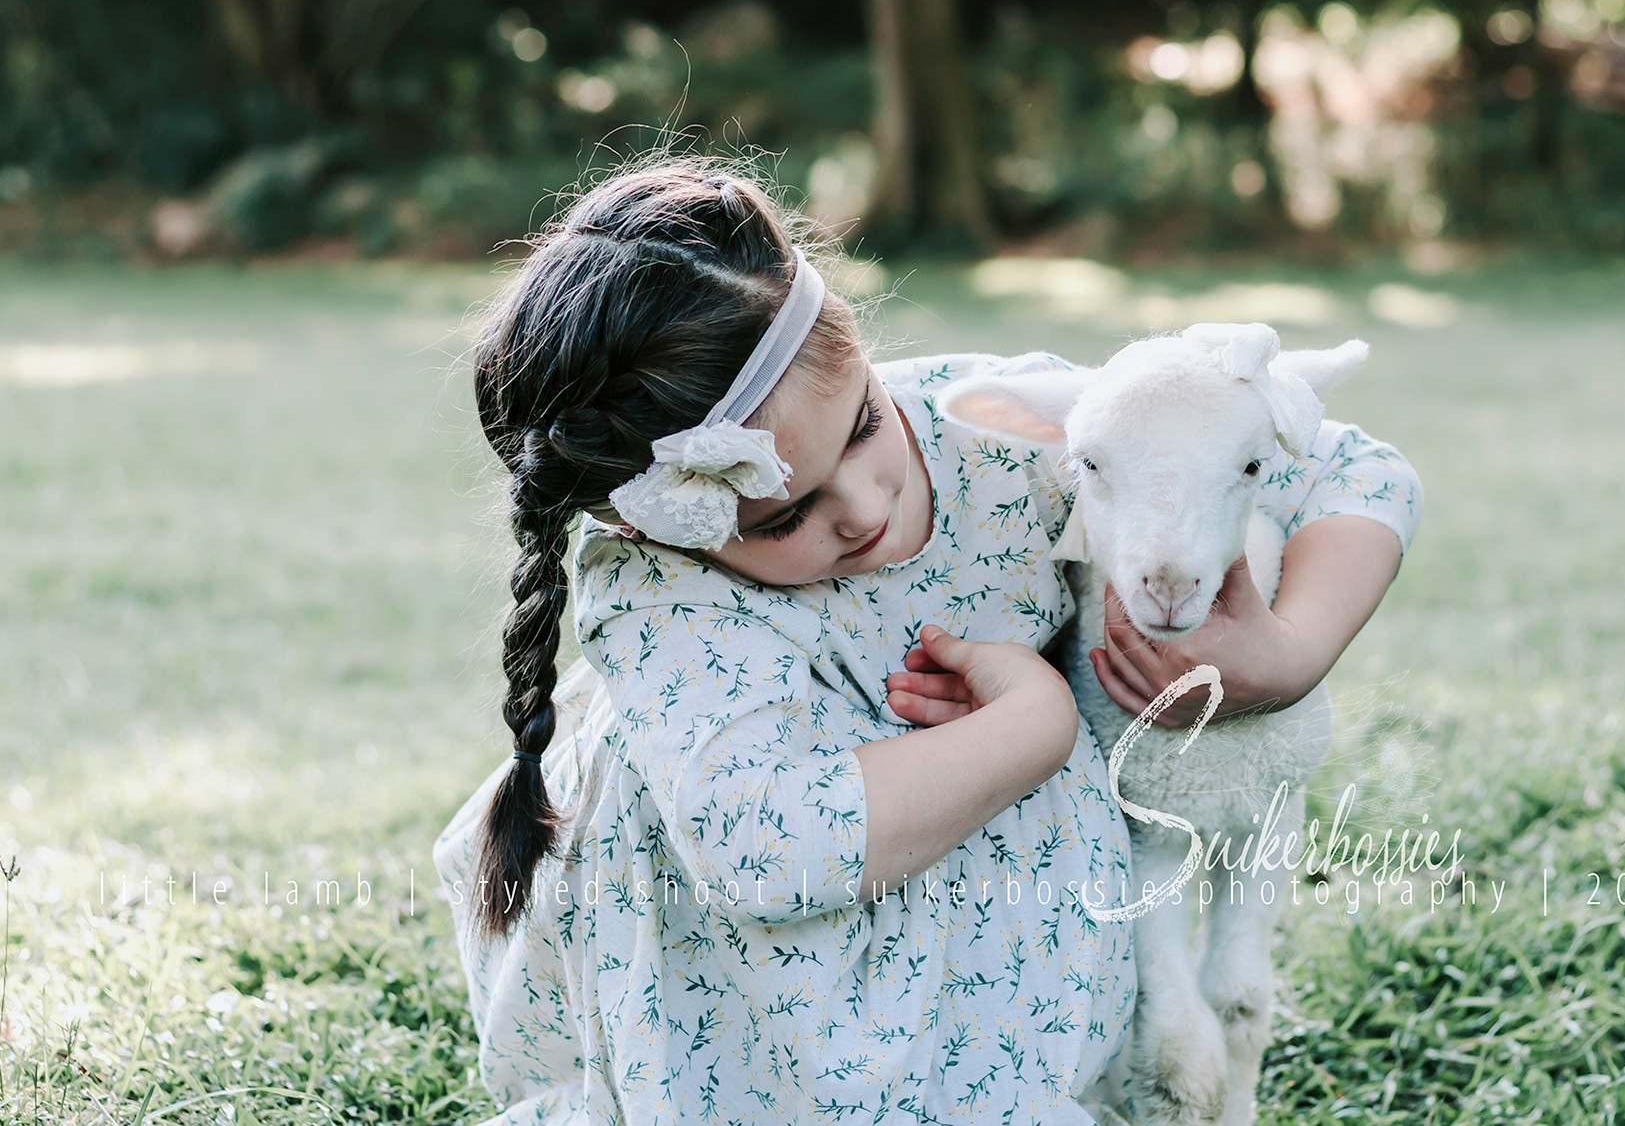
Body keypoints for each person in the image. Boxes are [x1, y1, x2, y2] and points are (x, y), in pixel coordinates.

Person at [431, 158, 1421, 1125]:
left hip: (995, 931)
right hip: (772, 995)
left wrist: (1294, 650)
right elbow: (770, 852)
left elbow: (1356, 470)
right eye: (786, 517)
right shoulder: (661, 591)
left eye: (865, 423)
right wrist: (1035, 722)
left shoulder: (996, 431)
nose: (866, 507)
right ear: (653, 524)